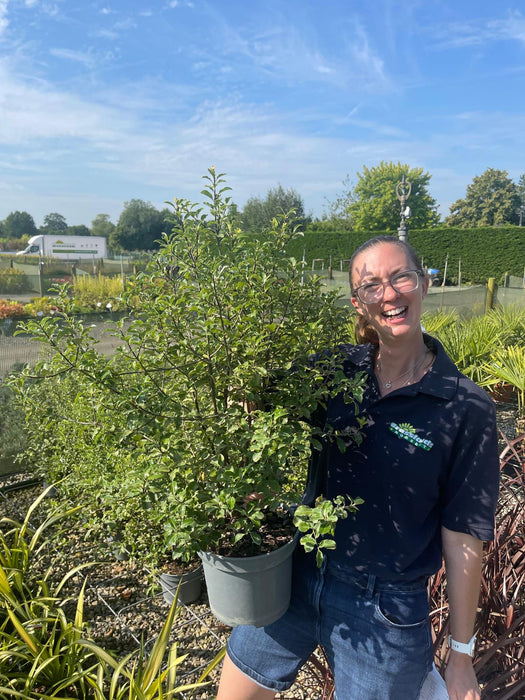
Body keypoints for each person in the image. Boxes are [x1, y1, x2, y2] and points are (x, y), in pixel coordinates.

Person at [217, 235, 500, 700]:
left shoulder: (465, 406)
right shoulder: (332, 371)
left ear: (424, 284)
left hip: (385, 610)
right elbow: (255, 404)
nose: (389, 294)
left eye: (400, 277)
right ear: (358, 304)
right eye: (372, 286)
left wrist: (462, 655)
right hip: (297, 573)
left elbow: (464, 532)